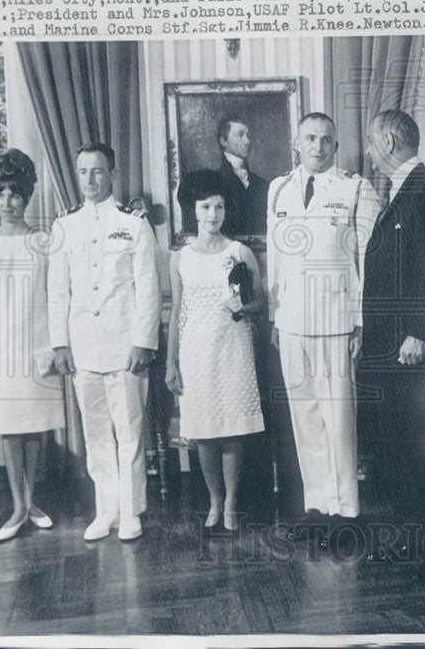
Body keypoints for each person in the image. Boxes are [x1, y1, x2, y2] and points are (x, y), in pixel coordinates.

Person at [266, 114, 379, 536]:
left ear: (336, 145)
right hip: (293, 320)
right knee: (306, 416)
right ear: (297, 142)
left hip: (335, 320)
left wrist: (359, 322)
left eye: (326, 140)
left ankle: (346, 511)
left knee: (339, 418)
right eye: (310, 138)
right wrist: (277, 318)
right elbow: (276, 261)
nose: (318, 147)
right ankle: (317, 505)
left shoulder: (354, 188)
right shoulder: (279, 189)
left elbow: (365, 261)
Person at [47, 142, 161, 542]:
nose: (89, 180)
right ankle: (106, 509)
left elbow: (148, 287)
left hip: (124, 345)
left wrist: (144, 341)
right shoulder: (65, 226)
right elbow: (58, 291)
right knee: (96, 435)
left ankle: (131, 512)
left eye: (97, 171)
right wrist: (60, 344)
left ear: (112, 173)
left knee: (129, 431)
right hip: (83, 347)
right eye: (82, 172)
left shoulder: (133, 223)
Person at [357, 109, 425, 529]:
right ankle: (409, 537)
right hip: (389, 344)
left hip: (409, 347)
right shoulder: (404, 190)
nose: (369, 152)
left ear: (389, 143)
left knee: (415, 444)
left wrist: (418, 331)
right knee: (396, 444)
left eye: (371, 142)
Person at [0, 149, 65, 542]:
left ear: (27, 196)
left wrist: (57, 346)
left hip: (35, 345)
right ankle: (19, 506)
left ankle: (32, 500)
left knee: (35, 427)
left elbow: (56, 297)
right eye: (0, 194)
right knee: (8, 430)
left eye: (14, 194)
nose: (7, 202)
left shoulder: (42, 242)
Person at [166, 170, 267, 533]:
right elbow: (177, 312)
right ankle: (214, 500)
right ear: (193, 210)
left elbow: (261, 304)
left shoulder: (240, 252)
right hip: (195, 351)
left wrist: (240, 306)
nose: (213, 214)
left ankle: (233, 503)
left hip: (232, 349)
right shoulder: (180, 257)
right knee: (204, 433)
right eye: (206, 206)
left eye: (219, 206)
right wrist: (170, 364)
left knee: (232, 433)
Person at [213, 114, 269, 237]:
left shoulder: (263, 185)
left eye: (248, 136)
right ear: (223, 141)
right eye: (239, 135)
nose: (247, 141)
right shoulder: (212, 183)